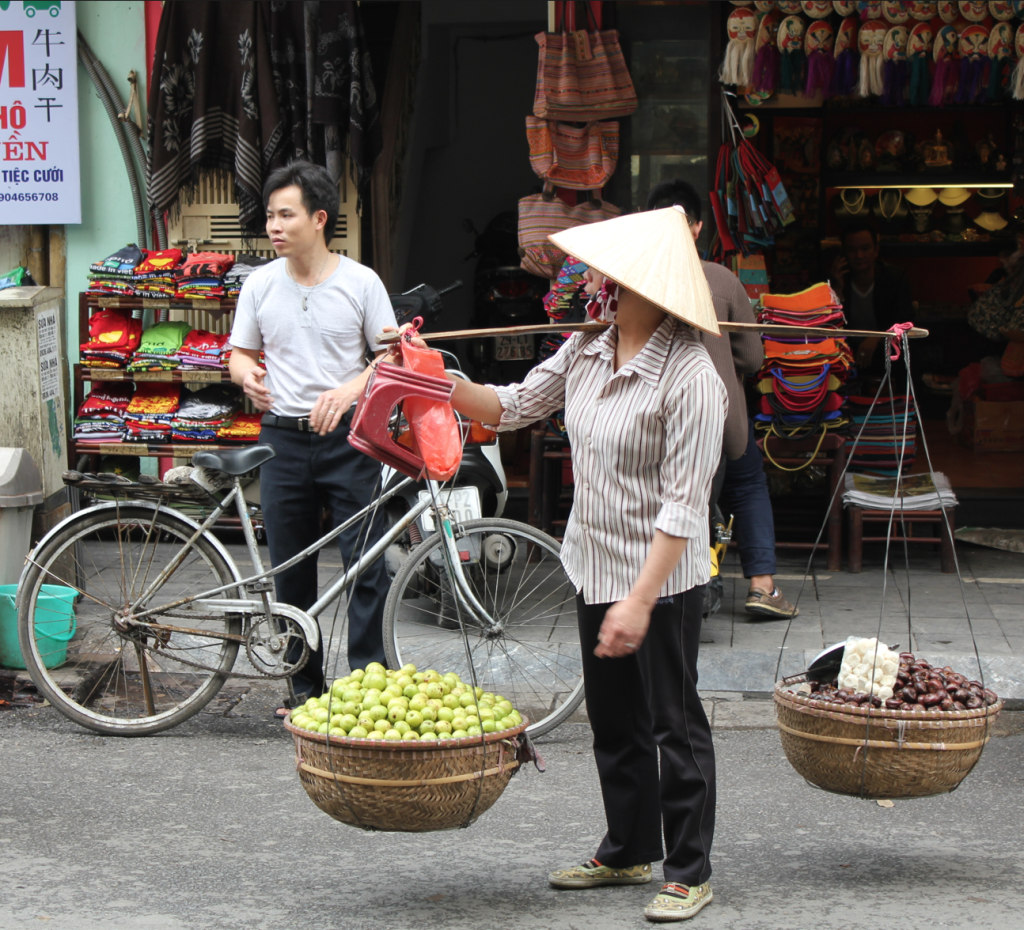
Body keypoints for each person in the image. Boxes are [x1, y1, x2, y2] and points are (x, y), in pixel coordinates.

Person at [389, 207, 725, 923]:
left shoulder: (692, 378)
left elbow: (682, 510)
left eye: (607, 279)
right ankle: (629, 847)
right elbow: (506, 407)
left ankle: (689, 868)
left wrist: (640, 601)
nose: (592, 287)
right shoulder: (586, 350)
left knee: (674, 721)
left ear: (643, 288)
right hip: (594, 558)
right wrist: (427, 370)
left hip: (661, 576)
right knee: (614, 719)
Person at [228, 160, 397, 710]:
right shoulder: (259, 283)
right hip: (281, 440)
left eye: (286, 214)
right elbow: (240, 353)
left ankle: (366, 685)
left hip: (350, 439)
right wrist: (245, 376)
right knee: (291, 570)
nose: (273, 226)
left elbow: (391, 356)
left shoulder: (361, 282)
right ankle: (303, 689)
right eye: (270, 215)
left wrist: (350, 390)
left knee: (365, 564)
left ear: (319, 218)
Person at [646, 179, 798, 619]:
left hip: (654, 419)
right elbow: (753, 359)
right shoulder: (722, 280)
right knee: (747, 482)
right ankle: (762, 587)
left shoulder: (637, 285)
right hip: (723, 420)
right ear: (696, 228)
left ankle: (671, 583)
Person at [829, 219, 914, 371]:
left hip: (887, 355)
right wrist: (837, 290)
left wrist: (878, 337)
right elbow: (829, 328)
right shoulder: (838, 280)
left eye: (865, 248)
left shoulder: (894, 277)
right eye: (852, 250)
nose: (859, 255)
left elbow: (905, 322)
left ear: (876, 251)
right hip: (847, 356)